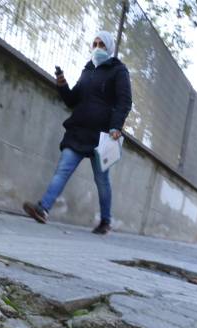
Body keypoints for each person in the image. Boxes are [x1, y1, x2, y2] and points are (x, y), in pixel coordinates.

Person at [22, 30, 133, 235]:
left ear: (109, 47)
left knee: (102, 181)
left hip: (102, 138)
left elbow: (125, 102)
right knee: (62, 170)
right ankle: (43, 209)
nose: (98, 48)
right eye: (95, 44)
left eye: (102, 44)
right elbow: (73, 100)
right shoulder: (88, 70)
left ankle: (106, 221)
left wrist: (115, 127)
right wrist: (62, 85)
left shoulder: (119, 70)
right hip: (79, 132)